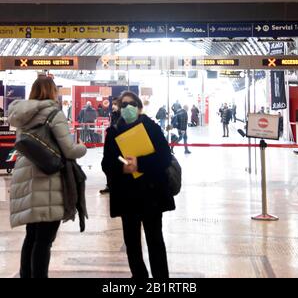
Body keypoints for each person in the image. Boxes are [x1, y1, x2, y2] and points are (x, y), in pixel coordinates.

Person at [7, 76, 87, 278]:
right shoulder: (53, 113)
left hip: (25, 176)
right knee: (44, 240)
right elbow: (69, 150)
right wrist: (83, 148)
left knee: (32, 236)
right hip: (47, 179)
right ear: (52, 92)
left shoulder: (21, 115)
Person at [102, 91, 175, 280]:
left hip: (151, 193)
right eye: (123, 104)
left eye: (131, 104)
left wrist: (139, 163)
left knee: (155, 240)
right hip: (127, 195)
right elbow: (106, 162)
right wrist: (122, 167)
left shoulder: (152, 128)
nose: (127, 108)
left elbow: (165, 158)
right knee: (132, 243)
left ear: (139, 107)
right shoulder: (113, 132)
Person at [100, 97, 121, 195]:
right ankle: (109, 185)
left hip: (121, 144)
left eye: (115, 104)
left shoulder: (122, 115)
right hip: (112, 143)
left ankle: (115, 185)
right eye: (113, 104)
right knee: (107, 164)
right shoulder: (113, 114)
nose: (113, 106)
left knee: (119, 164)